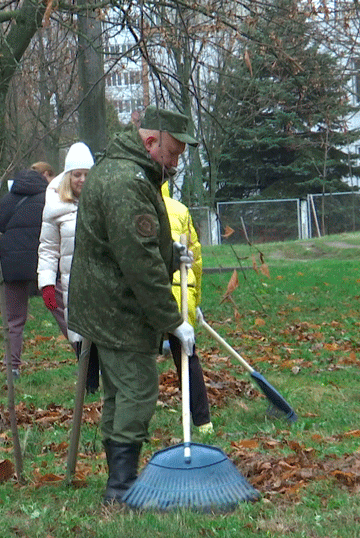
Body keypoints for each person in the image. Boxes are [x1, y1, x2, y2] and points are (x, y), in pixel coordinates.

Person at [68, 106, 197, 505]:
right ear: (150, 141)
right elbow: (138, 261)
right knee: (138, 391)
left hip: (104, 300)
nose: (174, 163)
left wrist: (170, 251)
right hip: (117, 307)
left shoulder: (123, 167)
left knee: (118, 394)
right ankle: (121, 489)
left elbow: (130, 241)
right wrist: (173, 320)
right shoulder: (128, 180)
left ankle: (118, 484)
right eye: (172, 153)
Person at [36, 142, 99, 392]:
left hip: (103, 279)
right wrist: (47, 283)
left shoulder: (101, 203)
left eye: (87, 175)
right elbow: (48, 248)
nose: (82, 180)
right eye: (77, 175)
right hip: (74, 282)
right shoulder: (55, 207)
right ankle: (90, 389)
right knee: (81, 337)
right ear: (68, 176)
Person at [161, 182, 213, 433]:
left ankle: (134, 423)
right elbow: (197, 258)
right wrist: (197, 298)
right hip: (181, 291)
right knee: (187, 356)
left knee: (138, 358)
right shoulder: (180, 209)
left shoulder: (138, 209)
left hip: (151, 291)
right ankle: (203, 422)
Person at [0, 169, 48, 379]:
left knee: (14, 319)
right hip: (42, 262)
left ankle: (12, 366)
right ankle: (82, 355)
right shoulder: (47, 199)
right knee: (62, 310)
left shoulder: (7, 200)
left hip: (13, 264)